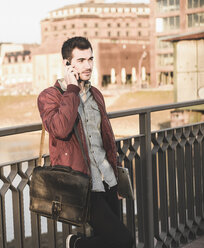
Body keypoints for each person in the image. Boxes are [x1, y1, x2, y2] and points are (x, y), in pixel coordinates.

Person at [37, 36, 134, 248]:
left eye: (90, 59)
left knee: (113, 242)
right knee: (124, 240)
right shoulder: (49, 96)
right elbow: (60, 129)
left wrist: (116, 175)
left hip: (108, 179)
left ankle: (77, 243)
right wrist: (71, 90)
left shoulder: (96, 94)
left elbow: (106, 138)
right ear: (67, 64)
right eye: (80, 60)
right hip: (82, 184)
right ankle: (77, 244)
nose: (88, 65)